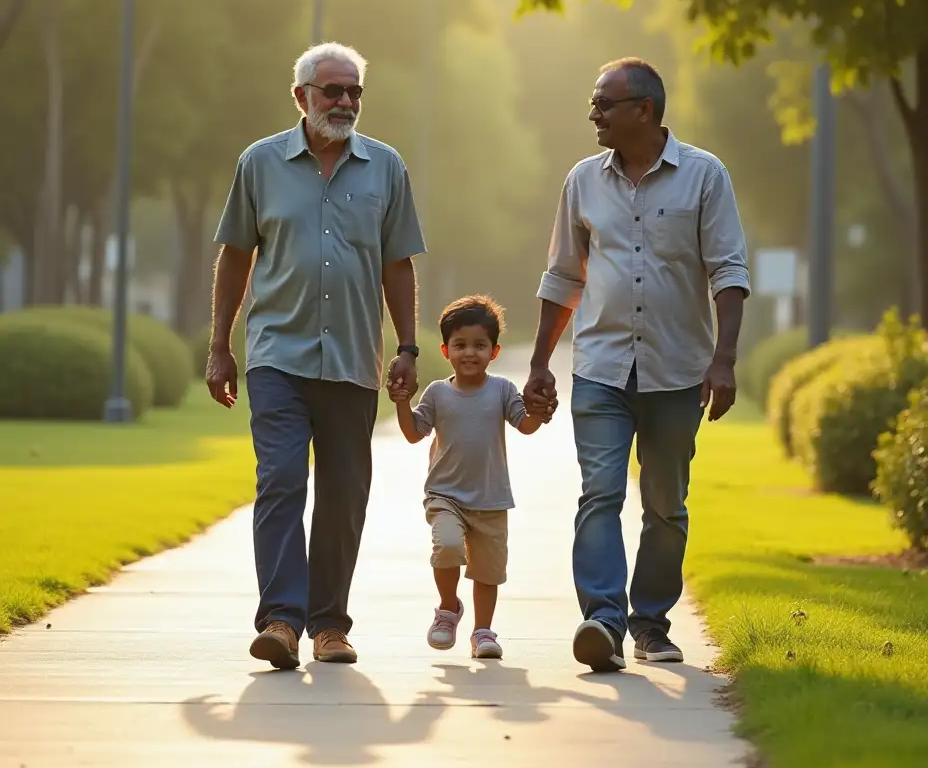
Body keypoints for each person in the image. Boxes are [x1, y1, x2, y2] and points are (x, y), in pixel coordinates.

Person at [523, 57, 751, 673]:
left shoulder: (705, 176)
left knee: (665, 504)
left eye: (604, 103)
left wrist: (723, 360)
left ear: (643, 110)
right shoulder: (582, 180)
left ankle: (651, 623)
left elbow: (728, 271)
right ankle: (603, 620)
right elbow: (563, 276)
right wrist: (542, 362)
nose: (592, 113)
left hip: (678, 371)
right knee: (599, 492)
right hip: (600, 367)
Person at [206, 42, 426, 671]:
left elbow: (398, 263)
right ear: (301, 96)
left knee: (344, 492)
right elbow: (236, 257)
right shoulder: (260, 163)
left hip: (354, 360)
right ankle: (280, 619)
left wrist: (408, 346)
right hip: (278, 353)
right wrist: (221, 346)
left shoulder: (385, 168)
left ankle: (330, 625)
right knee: (279, 481)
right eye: (333, 90)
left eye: (354, 91)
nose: (345, 101)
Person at [391, 296, 548, 660]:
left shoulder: (502, 390)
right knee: (446, 545)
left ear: (494, 351)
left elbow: (525, 425)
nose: (469, 353)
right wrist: (401, 401)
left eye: (479, 346)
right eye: (460, 345)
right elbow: (414, 433)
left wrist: (540, 412)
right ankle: (448, 608)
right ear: (446, 350)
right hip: (445, 494)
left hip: (491, 498)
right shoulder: (437, 393)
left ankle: (482, 632)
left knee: (487, 572)